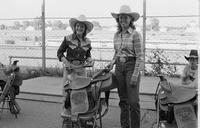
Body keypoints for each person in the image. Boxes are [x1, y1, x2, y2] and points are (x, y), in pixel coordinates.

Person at [108, 5, 144, 128]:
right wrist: (112, 63)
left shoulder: (135, 35)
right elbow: (116, 52)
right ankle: (125, 126)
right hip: (119, 67)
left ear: (130, 19)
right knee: (123, 100)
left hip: (131, 66)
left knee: (133, 101)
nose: (123, 19)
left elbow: (140, 57)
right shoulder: (116, 35)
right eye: (121, 17)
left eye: (126, 17)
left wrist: (135, 74)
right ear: (118, 19)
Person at [57, 14, 94, 112]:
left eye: (82, 26)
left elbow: (88, 54)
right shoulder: (68, 38)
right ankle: (66, 115)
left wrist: (89, 59)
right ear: (75, 27)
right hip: (70, 70)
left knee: (82, 91)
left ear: (85, 29)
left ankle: (79, 114)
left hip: (82, 69)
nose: (79, 28)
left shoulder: (88, 42)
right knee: (67, 91)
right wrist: (67, 63)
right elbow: (59, 53)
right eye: (78, 26)